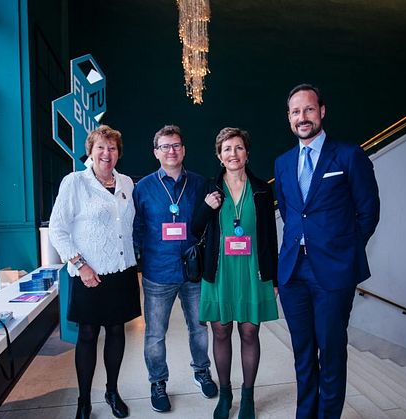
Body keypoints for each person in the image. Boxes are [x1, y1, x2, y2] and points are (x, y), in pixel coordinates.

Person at [274, 84, 380, 419]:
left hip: (333, 273)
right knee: (303, 353)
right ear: (289, 118)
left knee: (330, 350)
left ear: (322, 111)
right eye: (295, 112)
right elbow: (292, 212)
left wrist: (345, 252)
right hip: (293, 273)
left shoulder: (348, 155)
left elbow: (369, 211)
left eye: (308, 109)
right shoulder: (283, 162)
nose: (301, 117)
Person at [49, 125, 141, 419]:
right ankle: (84, 400)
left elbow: (130, 226)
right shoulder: (74, 182)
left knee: (116, 331)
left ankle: (112, 391)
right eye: (101, 147)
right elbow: (58, 229)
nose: (107, 153)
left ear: (118, 153)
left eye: (112, 148)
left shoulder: (127, 183)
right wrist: (80, 264)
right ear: (90, 152)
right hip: (89, 273)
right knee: (88, 335)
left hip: (122, 270)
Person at [193, 127, 279, 419]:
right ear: (219, 156)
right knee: (220, 330)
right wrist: (206, 208)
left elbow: (270, 235)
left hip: (252, 269)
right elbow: (194, 229)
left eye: (238, 147)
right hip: (219, 270)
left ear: (247, 153)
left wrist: (274, 276)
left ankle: (249, 395)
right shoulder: (209, 189)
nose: (233, 153)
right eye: (227, 149)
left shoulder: (263, 189)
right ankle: (226, 393)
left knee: (250, 330)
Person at [132, 125, 217, 412]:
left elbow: (207, 223)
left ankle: (201, 371)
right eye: (165, 146)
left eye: (177, 145)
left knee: (199, 328)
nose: (172, 151)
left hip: (193, 272)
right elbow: (137, 228)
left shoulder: (200, 183)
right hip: (158, 273)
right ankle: (158, 382)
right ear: (156, 152)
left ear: (184, 150)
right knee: (155, 334)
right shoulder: (142, 188)